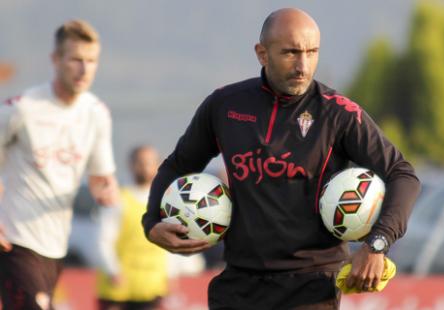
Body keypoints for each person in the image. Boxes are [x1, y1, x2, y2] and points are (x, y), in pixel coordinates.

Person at [142, 7, 421, 309]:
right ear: (262, 53)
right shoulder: (223, 106)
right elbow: (178, 165)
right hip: (238, 286)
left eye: (311, 52)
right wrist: (152, 222)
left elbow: (402, 174)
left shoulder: (338, 113)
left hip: (311, 288)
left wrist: (377, 244)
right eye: (290, 53)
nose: (303, 65)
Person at [0, 20, 119, 309]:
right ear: (56, 60)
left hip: (55, 245)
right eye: (76, 59)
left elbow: (100, 176)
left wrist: (106, 190)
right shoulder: (22, 108)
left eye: (91, 61)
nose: (84, 69)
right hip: (15, 241)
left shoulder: (96, 113)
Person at [96, 145, 169, 310]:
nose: (144, 167)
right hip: (118, 289)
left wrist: (172, 274)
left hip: (151, 288)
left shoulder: (166, 203)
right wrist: (112, 269)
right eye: (140, 162)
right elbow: (103, 240)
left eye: (149, 163)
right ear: (131, 165)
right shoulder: (118, 200)